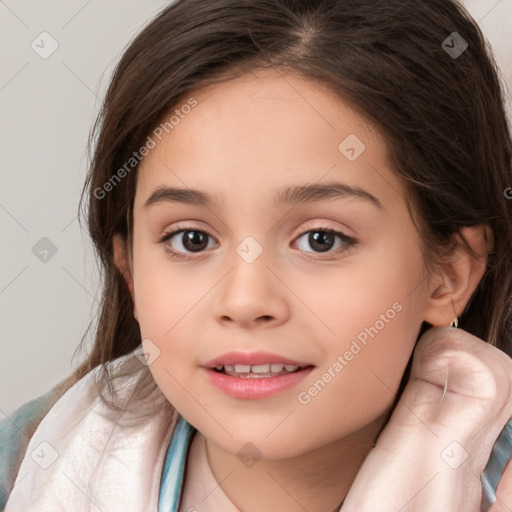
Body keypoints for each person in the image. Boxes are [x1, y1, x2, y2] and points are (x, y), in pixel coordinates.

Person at [2, 0, 512, 510]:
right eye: (191, 239)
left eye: (321, 239)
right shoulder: (29, 465)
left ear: (450, 273)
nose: (245, 302)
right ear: (131, 271)